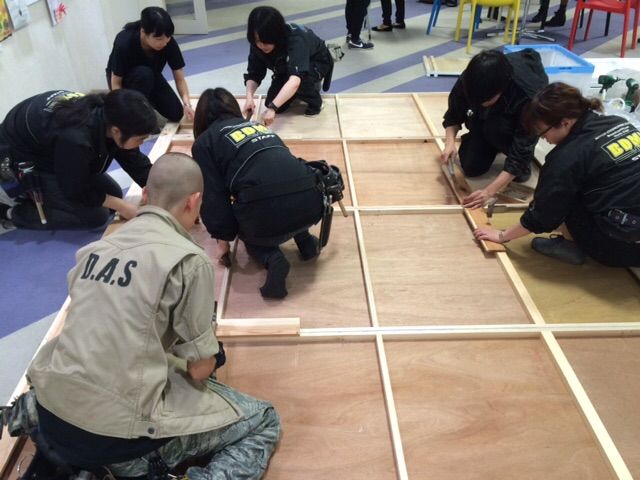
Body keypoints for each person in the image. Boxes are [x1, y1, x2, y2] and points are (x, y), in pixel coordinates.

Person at [2, 153, 281, 479]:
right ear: (193, 202)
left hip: (51, 409)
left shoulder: (93, 250)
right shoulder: (190, 261)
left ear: (145, 194)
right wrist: (209, 353)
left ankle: (35, 422)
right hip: (118, 442)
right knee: (263, 419)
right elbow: (200, 371)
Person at [474, 82, 640, 267]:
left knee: (563, 196)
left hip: (625, 247)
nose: (543, 138)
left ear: (565, 122)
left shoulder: (567, 158)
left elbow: (543, 215)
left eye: (542, 132)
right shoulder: (617, 123)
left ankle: (574, 247)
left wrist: (502, 235)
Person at [192, 88, 325, 299]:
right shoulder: (257, 126)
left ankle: (271, 258)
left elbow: (214, 199)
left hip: (268, 218)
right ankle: (305, 241)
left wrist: (223, 242)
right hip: (312, 202)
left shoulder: (204, 143)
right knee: (284, 193)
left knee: (250, 225)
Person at [0, 89, 157, 230]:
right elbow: (74, 189)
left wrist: (157, 192)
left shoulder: (112, 116)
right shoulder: (76, 139)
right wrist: (121, 206)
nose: (142, 143)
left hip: (54, 147)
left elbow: (135, 161)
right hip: (23, 154)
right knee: (96, 216)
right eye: (140, 139)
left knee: (113, 193)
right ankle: (11, 213)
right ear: (116, 131)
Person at [441, 49, 548, 210]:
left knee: (518, 173)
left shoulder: (527, 95)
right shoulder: (470, 79)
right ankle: (490, 137)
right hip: (486, 120)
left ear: (501, 89)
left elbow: (525, 139)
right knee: (471, 167)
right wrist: (449, 143)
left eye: (487, 100)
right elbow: (453, 114)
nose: (482, 103)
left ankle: (502, 142)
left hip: (514, 122)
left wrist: (489, 192)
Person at [243, 6, 334, 126]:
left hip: (316, 62)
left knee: (300, 82)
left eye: (265, 42)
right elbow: (254, 74)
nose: (261, 45)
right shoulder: (257, 43)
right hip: (285, 66)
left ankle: (316, 101)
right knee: (272, 102)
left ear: (276, 35)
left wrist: (272, 109)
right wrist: (249, 98)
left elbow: (296, 79)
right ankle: (293, 92)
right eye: (257, 41)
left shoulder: (296, 39)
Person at [106, 7, 195, 123]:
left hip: (151, 76)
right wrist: (122, 110)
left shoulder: (168, 43)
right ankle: (138, 110)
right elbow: (116, 82)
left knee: (176, 113)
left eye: (168, 37)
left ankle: (146, 102)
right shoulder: (124, 42)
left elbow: (180, 79)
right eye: (159, 38)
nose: (164, 43)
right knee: (144, 75)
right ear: (143, 32)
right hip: (125, 81)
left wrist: (187, 104)